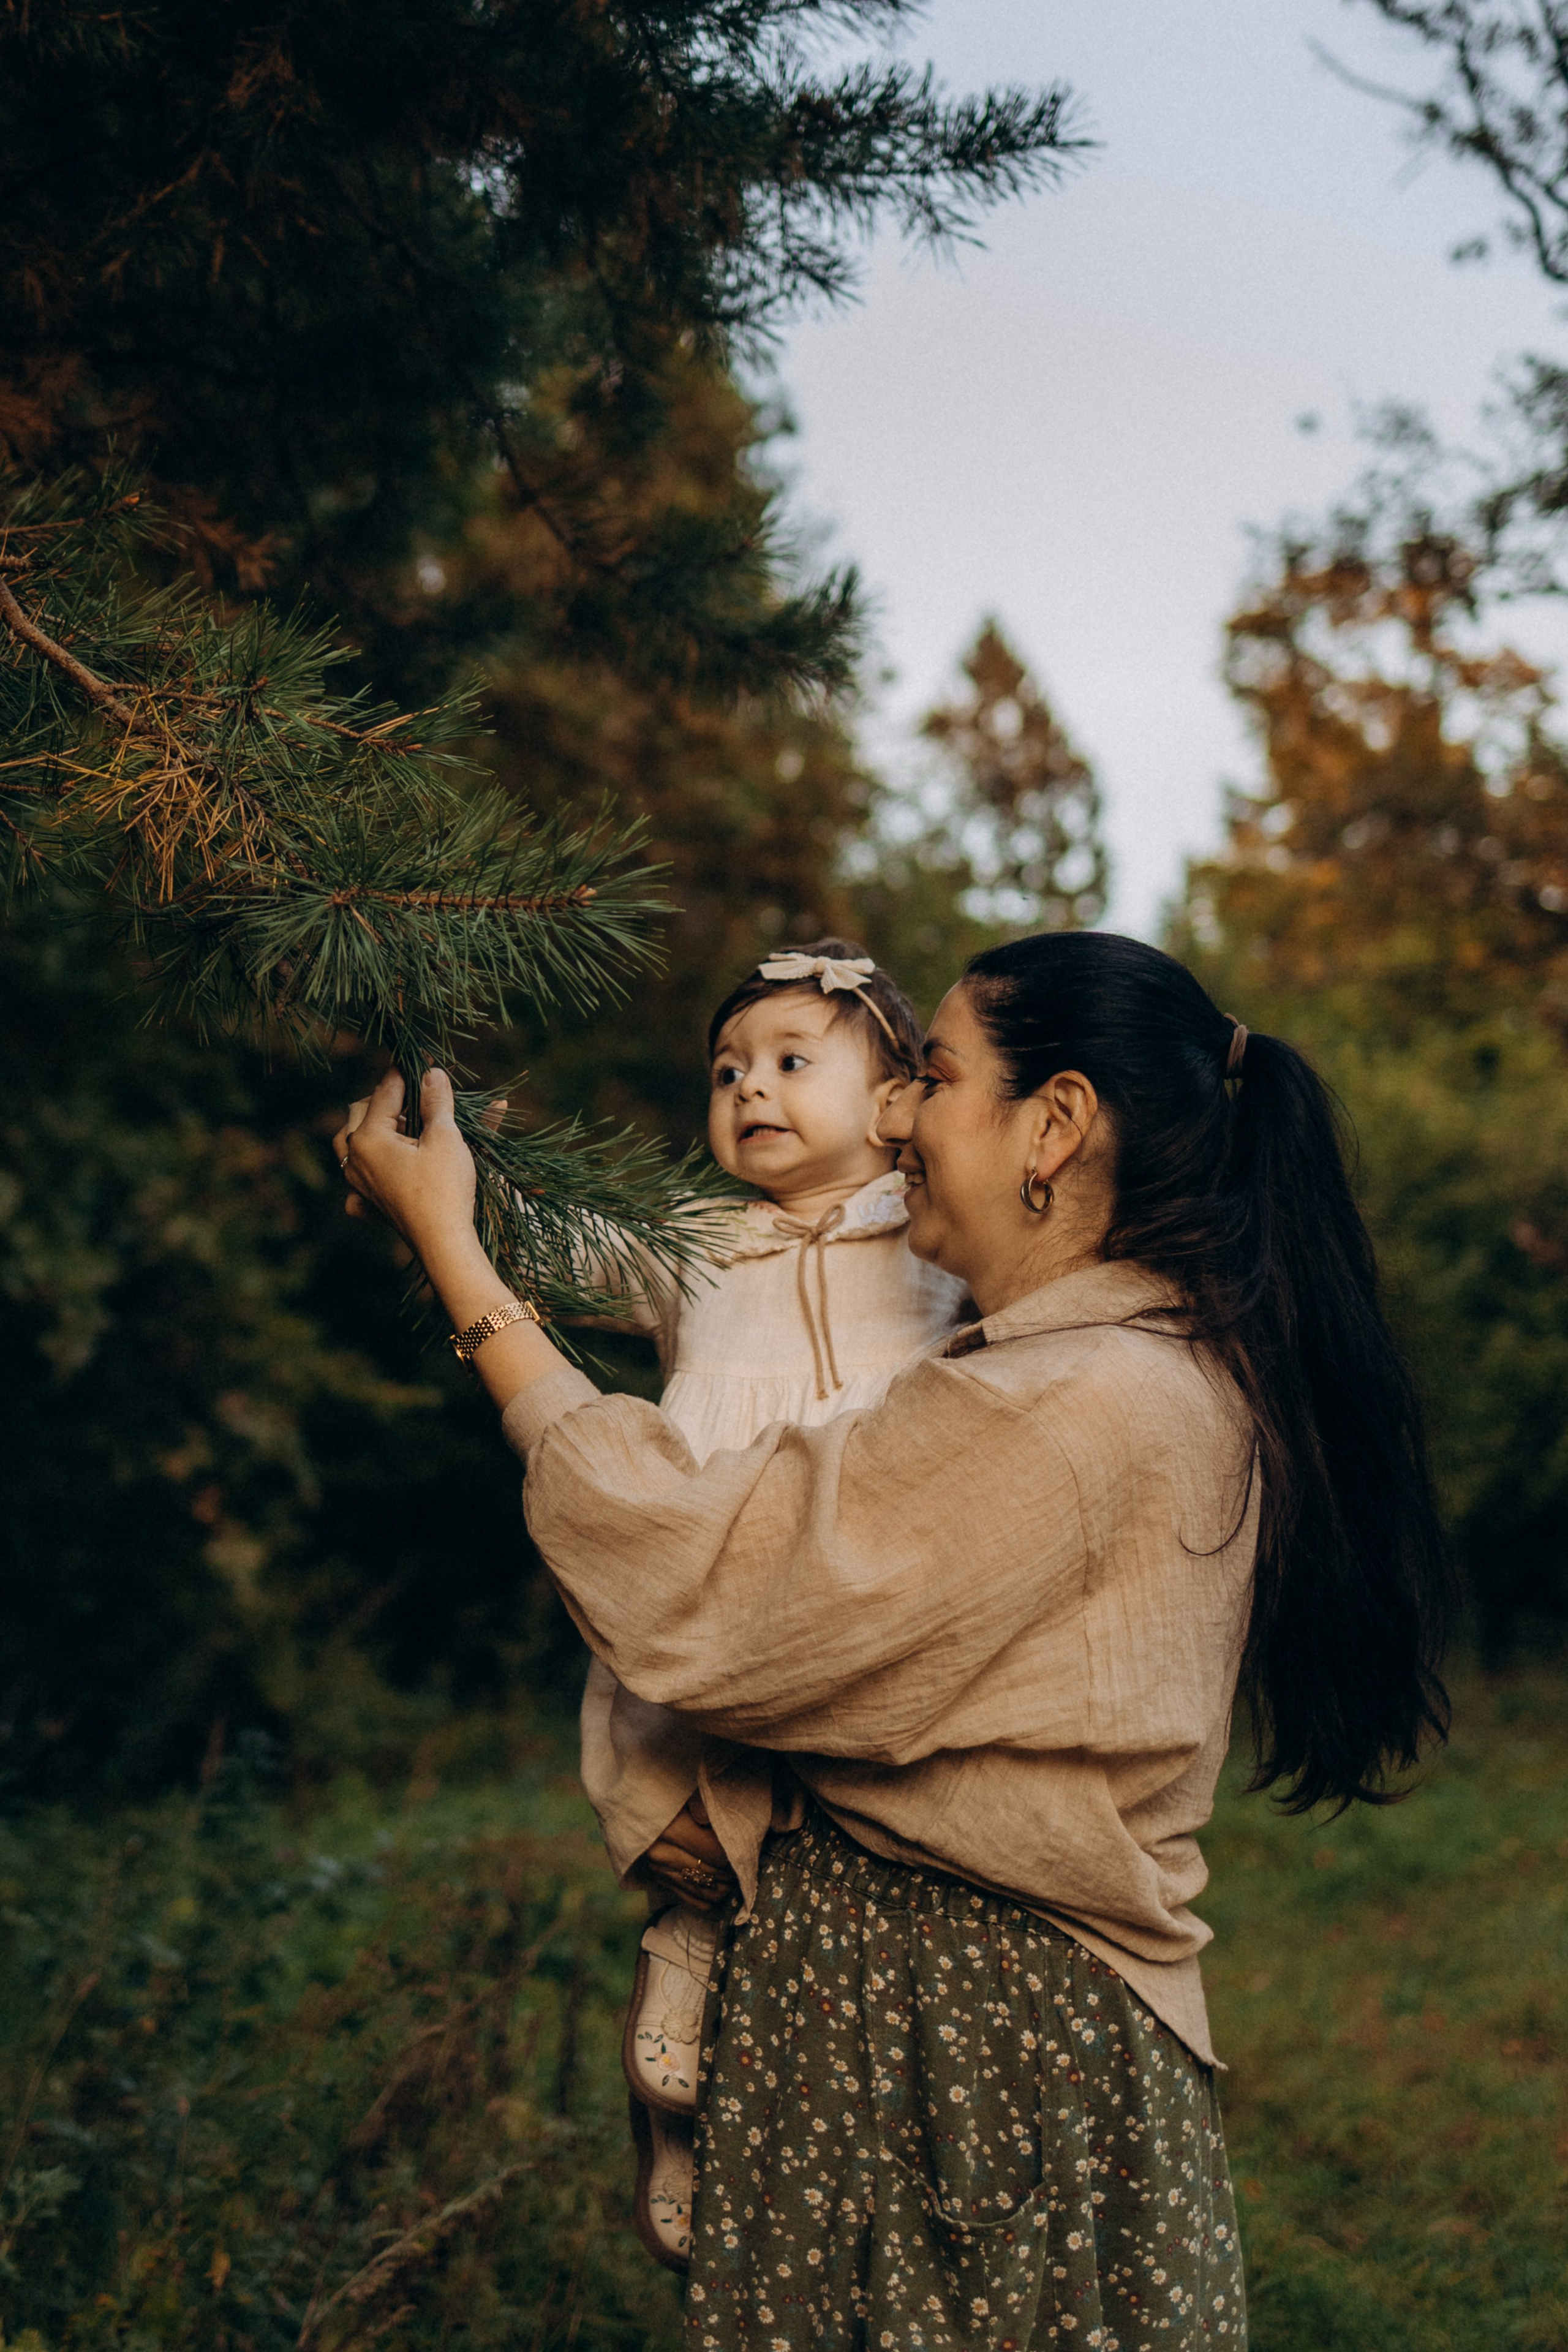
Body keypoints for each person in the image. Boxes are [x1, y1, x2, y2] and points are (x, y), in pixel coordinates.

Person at [336, 930, 1454, 2351]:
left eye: (932, 1076)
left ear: (1051, 1124)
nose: (904, 1117)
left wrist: (455, 1253)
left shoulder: (1073, 1398)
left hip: (971, 2058)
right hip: (935, 2043)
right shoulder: (1092, 1363)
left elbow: (705, 1597)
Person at [569, 940, 967, 2267]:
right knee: (687, 1785)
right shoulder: (691, 1242)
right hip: (709, 1570)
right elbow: (571, 1252)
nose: (750, 1088)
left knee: (835, 1840)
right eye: (728, 1069)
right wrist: (476, 1191)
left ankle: (803, 2095)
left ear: (896, 1098)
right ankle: (681, 2014)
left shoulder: (933, 1239)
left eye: (794, 1062)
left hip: (859, 1577)